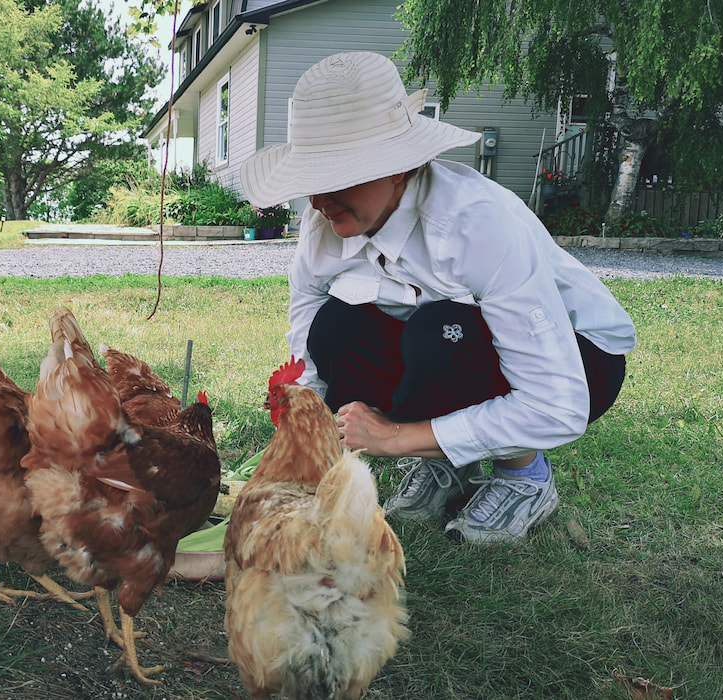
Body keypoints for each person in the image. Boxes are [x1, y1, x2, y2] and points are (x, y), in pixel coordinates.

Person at [239, 51, 636, 544]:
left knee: (440, 332)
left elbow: (557, 404)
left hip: (579, 358)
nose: (319, 202)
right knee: (337, 329)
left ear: (400, 169)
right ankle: (449, 460)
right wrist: (301, 418)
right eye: (312, 183)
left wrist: (394, 438)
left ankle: (524, 475)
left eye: (339, 177)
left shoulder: (474, 224)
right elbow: (308, 331)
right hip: (453, 339)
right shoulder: (323, 229)